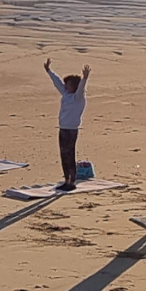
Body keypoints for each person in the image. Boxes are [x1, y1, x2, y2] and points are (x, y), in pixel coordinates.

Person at [44, 58, 90, 191]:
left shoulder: (78, 98)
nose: (65, 86)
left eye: (68, 84)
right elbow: (57, 83)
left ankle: (72, 181)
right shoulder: (66, 94)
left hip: (71, 130)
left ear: (74, 86)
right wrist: (49, 71)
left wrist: (84, 78)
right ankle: (66, 180)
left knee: (70, 154)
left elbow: (81, 89)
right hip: (63, 128)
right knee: (63, 154)